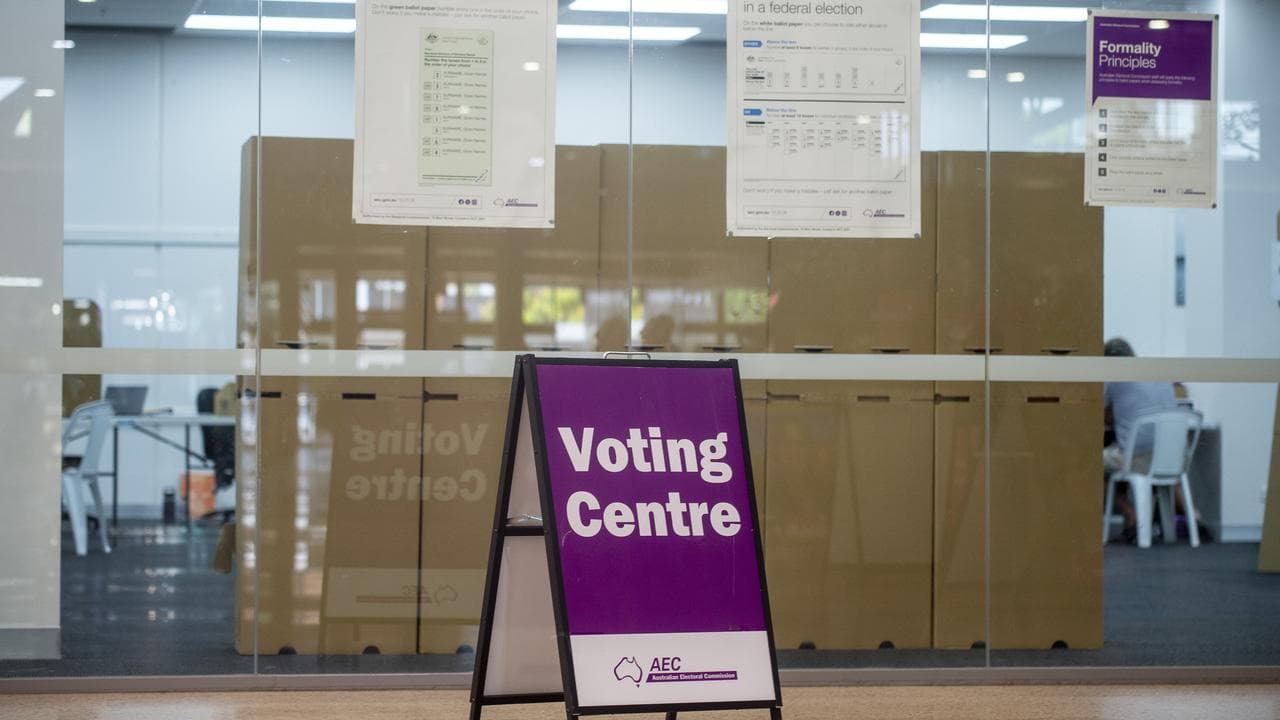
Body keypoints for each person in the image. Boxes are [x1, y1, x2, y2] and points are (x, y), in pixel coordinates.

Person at [1103, 337, 1178, 543]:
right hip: (1169, 458)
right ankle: (1194, 517)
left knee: (1092, 462)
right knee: (1122, 451)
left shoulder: (1115, 379)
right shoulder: (1160, 375)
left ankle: (1131, 515)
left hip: (1137, 458)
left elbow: (1103, 415)